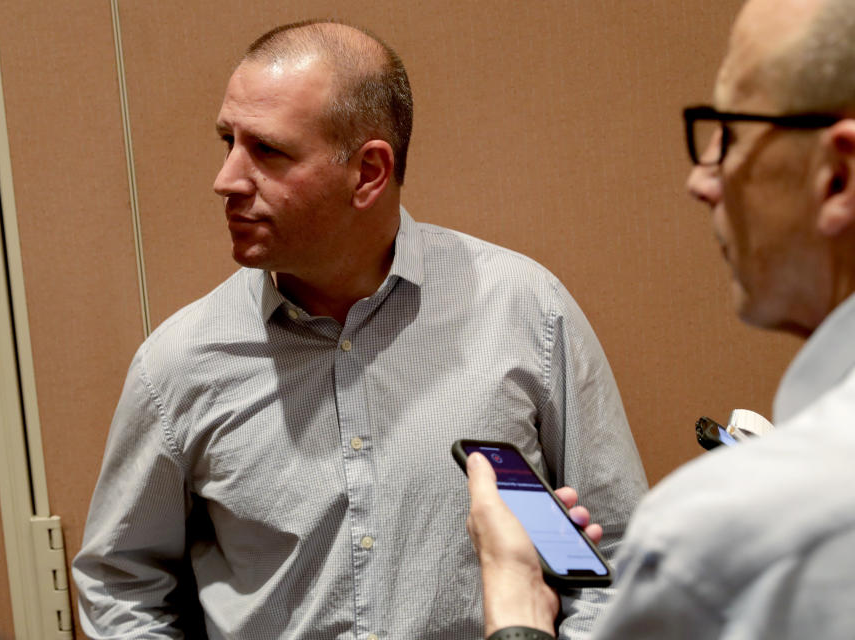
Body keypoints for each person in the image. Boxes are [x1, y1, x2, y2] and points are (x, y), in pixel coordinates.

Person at [72, 20, 647, 640]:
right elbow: (121, 584)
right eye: (227, 142)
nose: (227, 180)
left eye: (266, 151)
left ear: (369, 172)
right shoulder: (179, 363)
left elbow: (619, 558)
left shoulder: (526, 309)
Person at [465, 0, 855, 638]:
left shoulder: (724, 540)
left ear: (837, 175)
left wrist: (514, 603)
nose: (701, 179)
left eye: (729, 134)